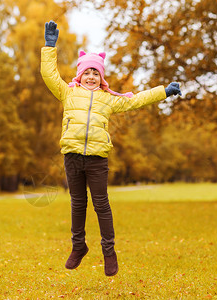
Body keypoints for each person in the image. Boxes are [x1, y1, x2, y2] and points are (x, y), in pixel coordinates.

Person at [41, 20, 182, 276]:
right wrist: (50, 46)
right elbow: (49, 75)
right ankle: (78, 246)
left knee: (101, 205)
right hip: (72, 156)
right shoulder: (68, 93)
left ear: (101, 76)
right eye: (87, 72)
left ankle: (109, 251)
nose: (92, 77)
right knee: (77, 203)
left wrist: (164, 92)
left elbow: (137, 99)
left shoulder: (109, 100)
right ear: (80, 74)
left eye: (96, 73)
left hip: (97, 159)